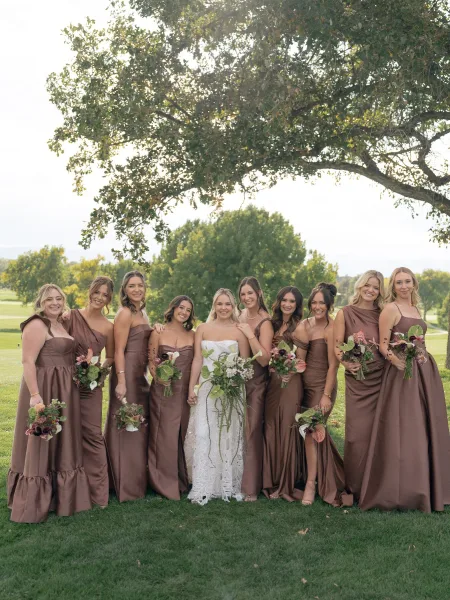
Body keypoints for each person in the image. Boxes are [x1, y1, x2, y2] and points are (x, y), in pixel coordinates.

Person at [360, 267, 450, 512]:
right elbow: (383, 344)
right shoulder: (391, 309)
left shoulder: (416, 309)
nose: (403, 286)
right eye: (398, 282)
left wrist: (423, 362)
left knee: (425, 423)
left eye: (407, 281)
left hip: (424, 371)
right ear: (393, 286)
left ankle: (429, 483)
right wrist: (397, 362)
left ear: (414, 284)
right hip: (401, 373)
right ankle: (405, 489)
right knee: (406, 426)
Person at [8, 284, 92, 522]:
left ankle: (61, 497)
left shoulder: (60, 324)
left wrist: (82, 364)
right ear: (41, 302)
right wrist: (35, 396)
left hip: (66, 390)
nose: (54, 303)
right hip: (45, 388)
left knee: (62, 441)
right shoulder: (37, 324)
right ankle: (35, 500)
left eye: (58, 298)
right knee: (42, 441)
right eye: (49, 300)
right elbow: (28, 362)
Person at [185, 288, 250, 505]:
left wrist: (234, 381)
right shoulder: (202, 329)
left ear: (234, 307)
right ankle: (203, 484)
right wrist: (192, 387)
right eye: (220, 304)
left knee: (227, 433)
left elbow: (244, 362)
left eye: (228, 304)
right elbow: (197, 360)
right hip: (206, 387)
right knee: (205, 433)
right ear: (214, 305)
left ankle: (226, 483)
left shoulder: (240, 330)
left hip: (230, 389)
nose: (223, 308)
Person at [296, 283, 351, 507]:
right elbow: (299, 362)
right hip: (302, 387)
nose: (317, 306)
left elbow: (332, 366)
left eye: (322, 303)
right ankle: (326, 475)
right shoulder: (303, 326)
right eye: (314, 302)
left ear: (329, 305)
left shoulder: (331, 328)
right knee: (311, 434)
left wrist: (326, 395)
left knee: (310, 432)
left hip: (322, 387)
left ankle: (311, 484)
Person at [333, 270, 385, 501]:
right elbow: (337, 346)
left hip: (382, 379)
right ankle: (353, 486)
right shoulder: (345, 313)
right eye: (368, 285)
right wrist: (346, 362)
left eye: (376, 287)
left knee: (380, 432)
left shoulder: (384, 313)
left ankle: (377, 485)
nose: (371, 290)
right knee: (356, 435)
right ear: (360, 286)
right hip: (357, 380)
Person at [65, 276, 114, 507]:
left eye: (105, 295)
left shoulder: (108, 326)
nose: (100, 298)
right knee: (67, 433)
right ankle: (69, 489)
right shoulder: (71, 316)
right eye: (97, 292)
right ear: (90, 291)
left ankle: (98, 493)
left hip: (92, 385)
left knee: (93, 435)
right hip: (67, 381)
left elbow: (111, 357)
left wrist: (98, 371)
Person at [104, 271, 152, 502]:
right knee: (125, 422)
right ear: (124, 290)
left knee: (139, 423)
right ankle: (123, 482)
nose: (136, 289)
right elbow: (118, 350)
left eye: (140, 285)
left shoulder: (141, 311)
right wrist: (121, 380)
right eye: (132, 286)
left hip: (141, 374)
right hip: (128, 373)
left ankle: (138, 478)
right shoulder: (124, 313)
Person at [148, 296, 195, 500]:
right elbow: (151, 361)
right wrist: (159, 377)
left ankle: (180, 479)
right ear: (173, 308)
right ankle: (162, 482)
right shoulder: (158, 332)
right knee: (163, 436)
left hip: (182, 393)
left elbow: (196, 363)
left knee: (180, 435)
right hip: (162, 391)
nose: (184, 312)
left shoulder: (193, 335)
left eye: (188, 310)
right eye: (181, 307)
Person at [262, 286, 304, 502]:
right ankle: (271, 480)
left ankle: (286, 483)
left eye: (292, 301)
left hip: (293, 381)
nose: (288, 304)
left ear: (297, 305)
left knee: (288, 426)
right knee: (271, 425)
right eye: (284, 300)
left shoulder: (301, 325)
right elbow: (264, 352)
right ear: (278, 302)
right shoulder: (271, 324)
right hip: (273, 381)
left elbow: (306, 354)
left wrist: (292, 369)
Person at [236, 277, 273, 501]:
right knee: (237, 431)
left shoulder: (265, 321)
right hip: (236, 380)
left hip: (257, 382)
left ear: (259, 293)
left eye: (250, 293)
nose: (247, 298)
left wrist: (250, 334)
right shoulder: (238, 315)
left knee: (251, 432)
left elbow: (265, 359)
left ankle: (251, 487)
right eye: (243, 294)